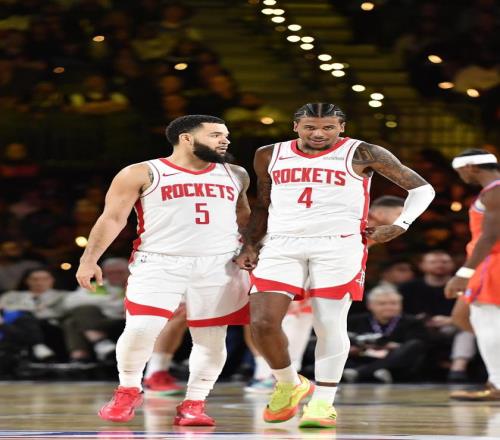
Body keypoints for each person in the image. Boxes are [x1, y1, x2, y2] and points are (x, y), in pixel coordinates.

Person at [235, 103, 435, 428]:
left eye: (328, 127)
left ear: (341, 127)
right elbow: (263, 204)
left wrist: (401, 225)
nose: (318, 133)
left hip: (338, 245)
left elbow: (422, 189)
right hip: (281, 243)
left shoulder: (363, 153)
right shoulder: (269, 154)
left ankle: (323, 403)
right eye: (310, 127)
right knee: (262, 322)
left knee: (328, 323)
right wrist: (249, 243)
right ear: (295, 126)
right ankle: (289, 383)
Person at [76, 115, 251, 425]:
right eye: (215, 135)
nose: (225, 140)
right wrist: (89, 259)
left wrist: (250, 247)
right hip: (158, 261)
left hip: (219, 264)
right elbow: (113, 218)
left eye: (226, 135)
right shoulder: (141, 172)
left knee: (211, 337)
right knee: (141, 328)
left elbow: (244, 216)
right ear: (186, 138)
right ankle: (128, 389)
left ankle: (195, 403)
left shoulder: (236, 173)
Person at [445, 148, 500, 401]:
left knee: (486, 320)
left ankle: (497, 384)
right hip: (488, 261)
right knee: (462, 316)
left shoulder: (494, 191)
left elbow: (490, 236)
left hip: (491, 262)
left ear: (470, 168)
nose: (461, 177)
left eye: (460, 172)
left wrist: (464, 272)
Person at [399, 250, 476, 382]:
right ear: (422, 265)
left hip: (454, 325)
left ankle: (458, 369)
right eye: (433, 262)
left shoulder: (464, 286)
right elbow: (399, 313)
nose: (439, 265)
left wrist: (451, 320)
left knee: (467, 330)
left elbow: (473, 311)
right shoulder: (408, 288)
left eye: (444, 262)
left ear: (453, 265)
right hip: (419, 327)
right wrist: (419, 320)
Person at [344, 286, 428, 383]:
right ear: (369, 305)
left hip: (394, 363)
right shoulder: (354, 321)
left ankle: (361, 372)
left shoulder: (412, 322)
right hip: (360, 359)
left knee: (415, 345)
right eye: (382, 304)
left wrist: (388, 346)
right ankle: (369, 371)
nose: (388, 307)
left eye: (393, 303)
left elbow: (416, 346)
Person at [63, 258, 128, 363]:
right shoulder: (97, 286)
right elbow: (70, 302)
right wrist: (110, 301)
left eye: (120, 272)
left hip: (126, 321)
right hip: (100, 320)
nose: (115, 275)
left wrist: (101, 304)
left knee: (72, 322)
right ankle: (91, 350)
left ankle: (83, 355)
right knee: (81, 311)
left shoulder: (138, 284)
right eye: (111, 273)